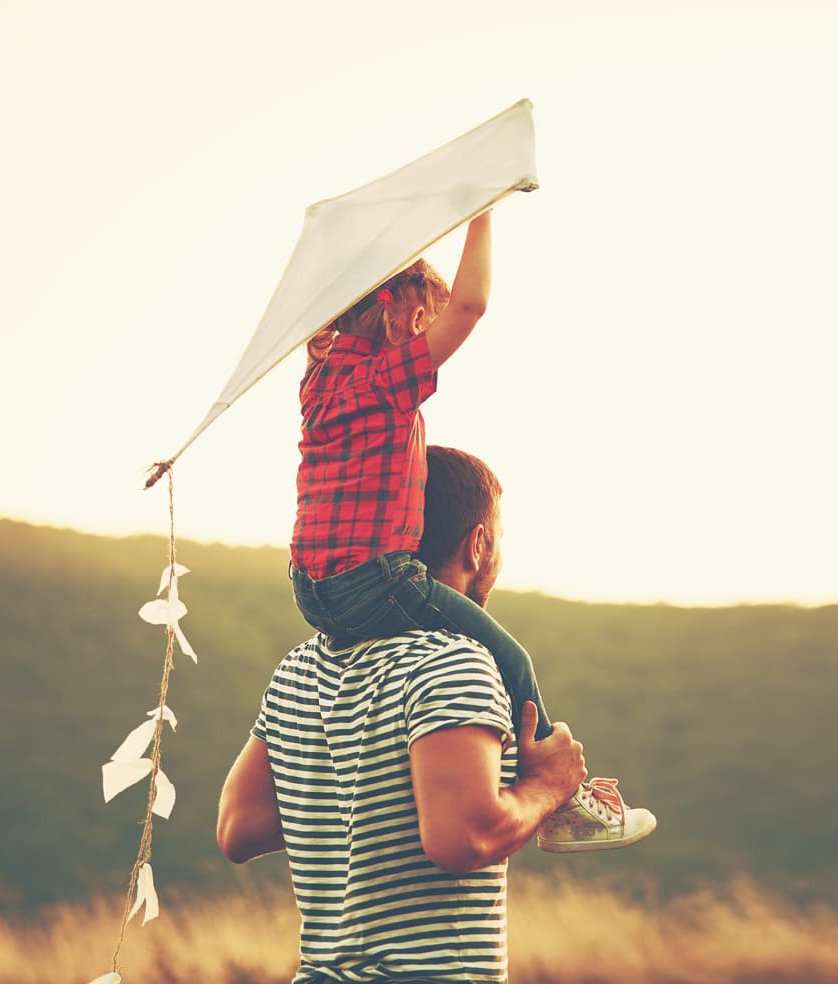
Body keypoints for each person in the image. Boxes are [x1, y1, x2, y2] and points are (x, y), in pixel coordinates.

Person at [218, 446, 656, 984]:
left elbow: (240, 828)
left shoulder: (299, 669)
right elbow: (460, 840)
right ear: (478, 544)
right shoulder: (452, 658)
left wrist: (366, 798)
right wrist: (547, 787)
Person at [288, 211, 648, 851]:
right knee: (511, 659)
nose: (431, 332)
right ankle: (560, 801)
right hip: (374, 580)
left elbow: (445, 304)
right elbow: (471, 306)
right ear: (395, 309)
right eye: (422, 319)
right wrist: (480, 210)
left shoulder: (319, 379)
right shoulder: (382, 379)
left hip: (311, 590)